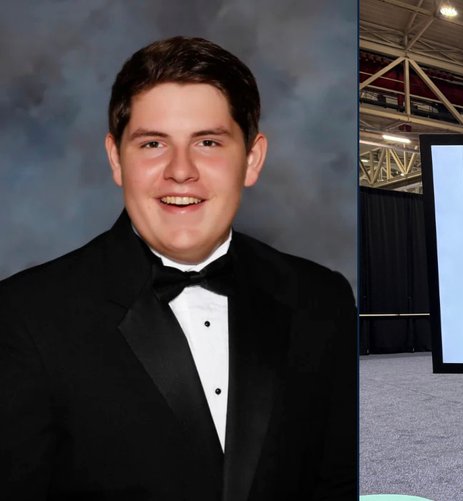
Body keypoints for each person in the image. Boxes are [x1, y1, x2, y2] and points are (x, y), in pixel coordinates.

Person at [0, 37, 357, 499]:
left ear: (251, 160)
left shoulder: (323, 298)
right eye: (153, 143)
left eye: (208, 142)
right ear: (116, 159)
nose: (181, 170)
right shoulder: (25, 316)